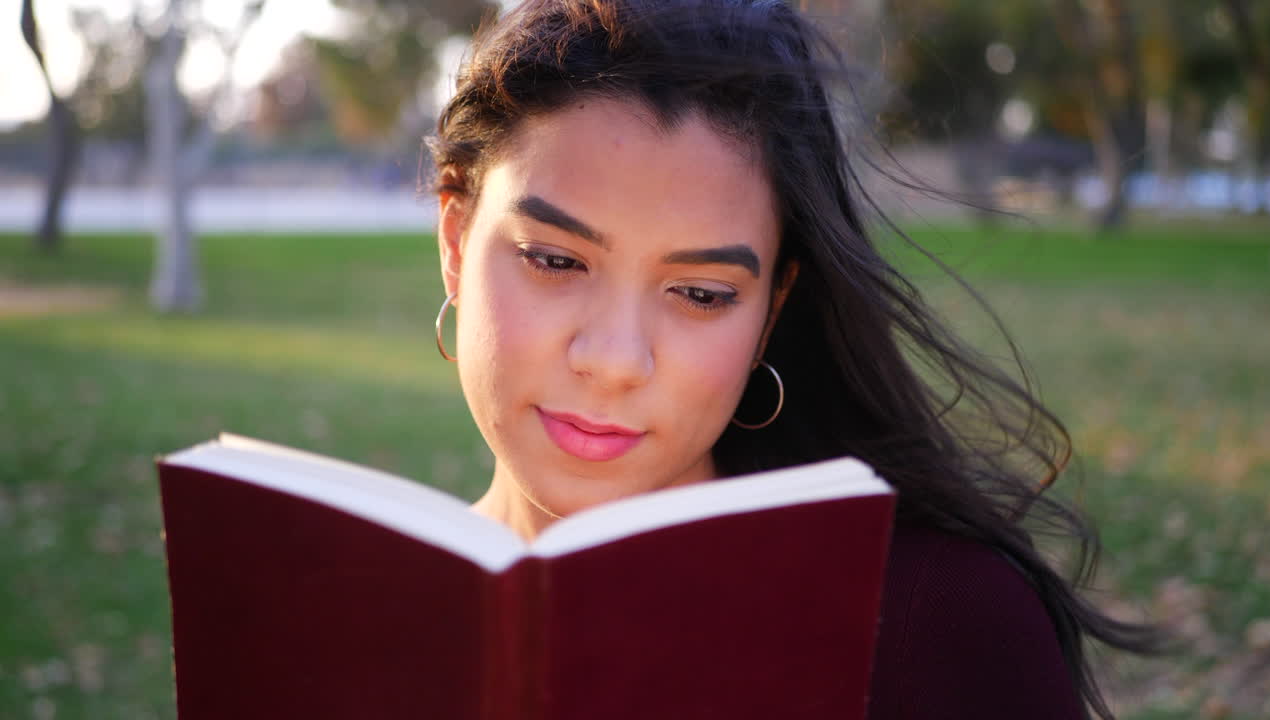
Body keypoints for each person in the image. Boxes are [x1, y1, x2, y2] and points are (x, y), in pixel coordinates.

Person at [426, 0, 1160, 717]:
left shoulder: (931, 624)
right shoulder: (349, 604)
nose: (614, 360)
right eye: (555, 260)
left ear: (772, 308)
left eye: (701, 294)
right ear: (456, 243)